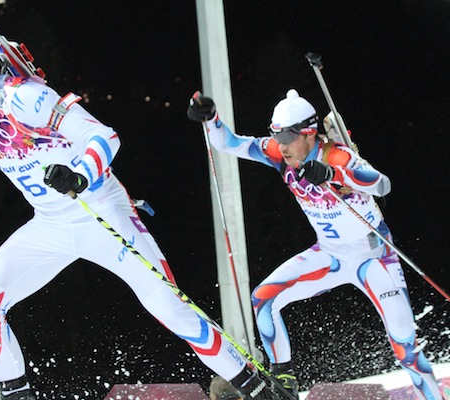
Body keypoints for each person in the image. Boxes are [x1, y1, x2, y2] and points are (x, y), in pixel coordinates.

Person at [0, 31, 281, 400]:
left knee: (169, 307)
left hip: (101, 211)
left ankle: (256, 388)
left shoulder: (21, 97)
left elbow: (104, 136)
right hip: (50, 224)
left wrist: (79, 175)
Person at [187, 89, 446, 400]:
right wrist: (210, 119)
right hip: (330, 255)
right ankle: (284, 382)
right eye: (276, 135)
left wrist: (336, 174)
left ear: (309, 134)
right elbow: (227, 143)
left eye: (288, 136)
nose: (280, 145)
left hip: (374, 259)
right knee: (264, 300)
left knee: (406, 349)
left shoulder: (336, 156)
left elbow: (382, 184)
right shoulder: (277, 153)